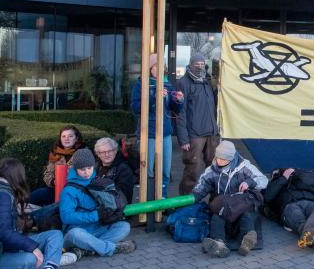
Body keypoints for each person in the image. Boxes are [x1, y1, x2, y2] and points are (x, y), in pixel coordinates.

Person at [194, 141, 267, 258]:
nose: (221, 161)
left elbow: (263, 180)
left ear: (232, 158)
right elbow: (201, 188)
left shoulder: (245, 167)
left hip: (239, 205)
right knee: (216, 218)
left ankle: (246, 241)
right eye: (219, 158)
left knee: (246, 216)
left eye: (225, 159)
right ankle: (219, 244)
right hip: (222, 207)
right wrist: (193, 198)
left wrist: (249, 182)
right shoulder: (211, 171)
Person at [59, 149, 136, 258]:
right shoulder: (69, 191)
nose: (87, 173)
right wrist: (96, 215)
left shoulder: (96, 181)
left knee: (124, 226)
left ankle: (88, 249)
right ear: (75, 169)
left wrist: (112, 211)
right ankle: (110, 248)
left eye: (89, 168)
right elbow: (66, 217)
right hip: (77, 233)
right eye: (82, 169)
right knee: (75, 233)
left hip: (96, 229)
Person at [131, 53, 184, 198]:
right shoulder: (141, 84)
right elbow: (135, 108)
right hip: (148, 133)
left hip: (165, 133)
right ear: (150, 68)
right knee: (148, 171)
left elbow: (175, 109)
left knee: (165, 171)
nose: (161, 69)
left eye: (162, 66)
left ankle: (162, 201)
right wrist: (153, 98)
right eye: (157, 66)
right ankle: (147, 203)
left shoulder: (167, 83)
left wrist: (179, 100)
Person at [176, 53, 220, 196]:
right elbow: (180, 112)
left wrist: (218, 90)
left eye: (202, 64)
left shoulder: (206, 81)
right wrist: (183, 139)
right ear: (190, 64)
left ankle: (214, 201)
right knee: (192, 171)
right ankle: (184, 202)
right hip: (194, 135)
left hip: (211, 133)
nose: (200, 67)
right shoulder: (183, 83)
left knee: (214, 168)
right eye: (197, 64)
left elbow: (211, 104)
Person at [263, 168, 314, 253]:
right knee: (302, 220)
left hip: (309, 201)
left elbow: (313, 183)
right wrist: (283, 178)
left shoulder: (297, 180)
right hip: (290, 205)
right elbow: (267, 197)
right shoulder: (273, 185)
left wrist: (297, 173)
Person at [29, 125, 85, 206]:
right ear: (60, 138)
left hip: (74, 192)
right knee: (33, 197)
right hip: (56, 189)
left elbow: (85, 175)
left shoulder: (83, 153)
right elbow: (47, 173)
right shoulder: (55, 154)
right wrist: (53, 181)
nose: (66, 139)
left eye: (70, 136)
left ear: (76, 138)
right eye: (63, 136)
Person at [94, 137, 135, 203]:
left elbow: (123, 194)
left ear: (115, 151)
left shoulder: (124, 169)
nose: (107, 154)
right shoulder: (94, 168)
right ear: (98, 154)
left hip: (118, 211)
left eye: (109, 151)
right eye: (103, 152)